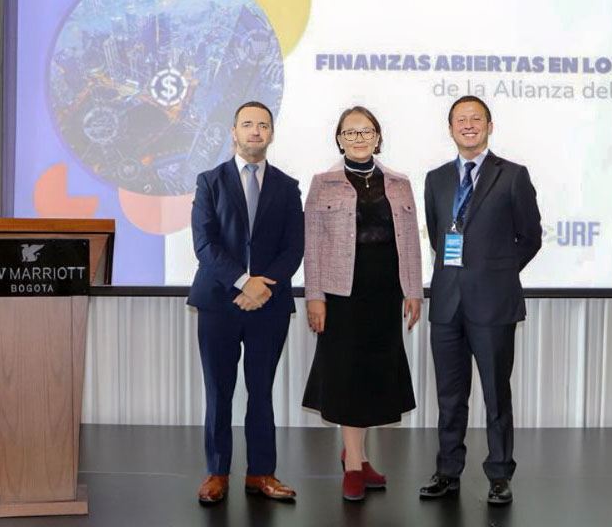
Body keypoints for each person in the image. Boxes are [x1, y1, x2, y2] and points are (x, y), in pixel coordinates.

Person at [419, 96, 541, 506]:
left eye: (476, 119)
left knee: (495, 393)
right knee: (450, 396)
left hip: (493, 304)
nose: (468, 125)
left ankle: (499, 474)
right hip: (447, 304)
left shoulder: (512, 175)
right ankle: (448, 471)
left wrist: (498, 272)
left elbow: (531, 236)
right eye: (460, 120)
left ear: (490, 126)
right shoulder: (435, 179)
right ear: (449, 128)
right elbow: (439, 236)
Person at [302, 106, 423, 501]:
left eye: (365, 131)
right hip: (341, 297)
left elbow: (411, 244)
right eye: (350, 132)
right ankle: (353, 465)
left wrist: (414, 290)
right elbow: (313, 248)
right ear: (338, 138)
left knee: (373, 378)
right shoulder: (323, 183)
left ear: (377, 137)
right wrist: (315, 298)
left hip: (384, 294)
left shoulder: (400, 183)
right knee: (347, 378)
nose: (358, 138)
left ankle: (359, 454)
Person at [188, 101, 304, 505]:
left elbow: (294, 247)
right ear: (233, 132)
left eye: (263, 126)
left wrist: (263, 287)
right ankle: (217, 472)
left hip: (269, 305)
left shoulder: (288, 187)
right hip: (219, 302)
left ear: (271, 134)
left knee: (261, 391)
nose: (256, 131)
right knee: (219, 392)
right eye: (248, 125)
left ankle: (261, 473)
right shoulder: (209, 181)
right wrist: (242, 281)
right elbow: (205, 244)